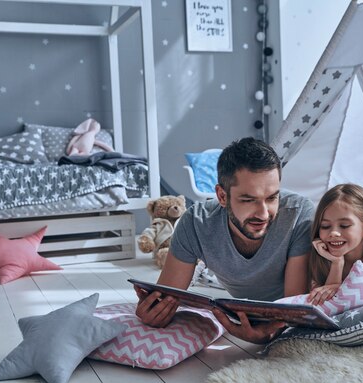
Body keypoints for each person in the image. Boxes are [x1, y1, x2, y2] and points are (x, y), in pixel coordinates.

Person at [135, 137, 315, 343]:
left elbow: (293, 311)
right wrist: (154, 311)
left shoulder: (299, 214)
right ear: (222, 196)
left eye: (272, 197)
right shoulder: (196, 223)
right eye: (248, 200)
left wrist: (268, 335)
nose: (264, 214)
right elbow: (167, 296)